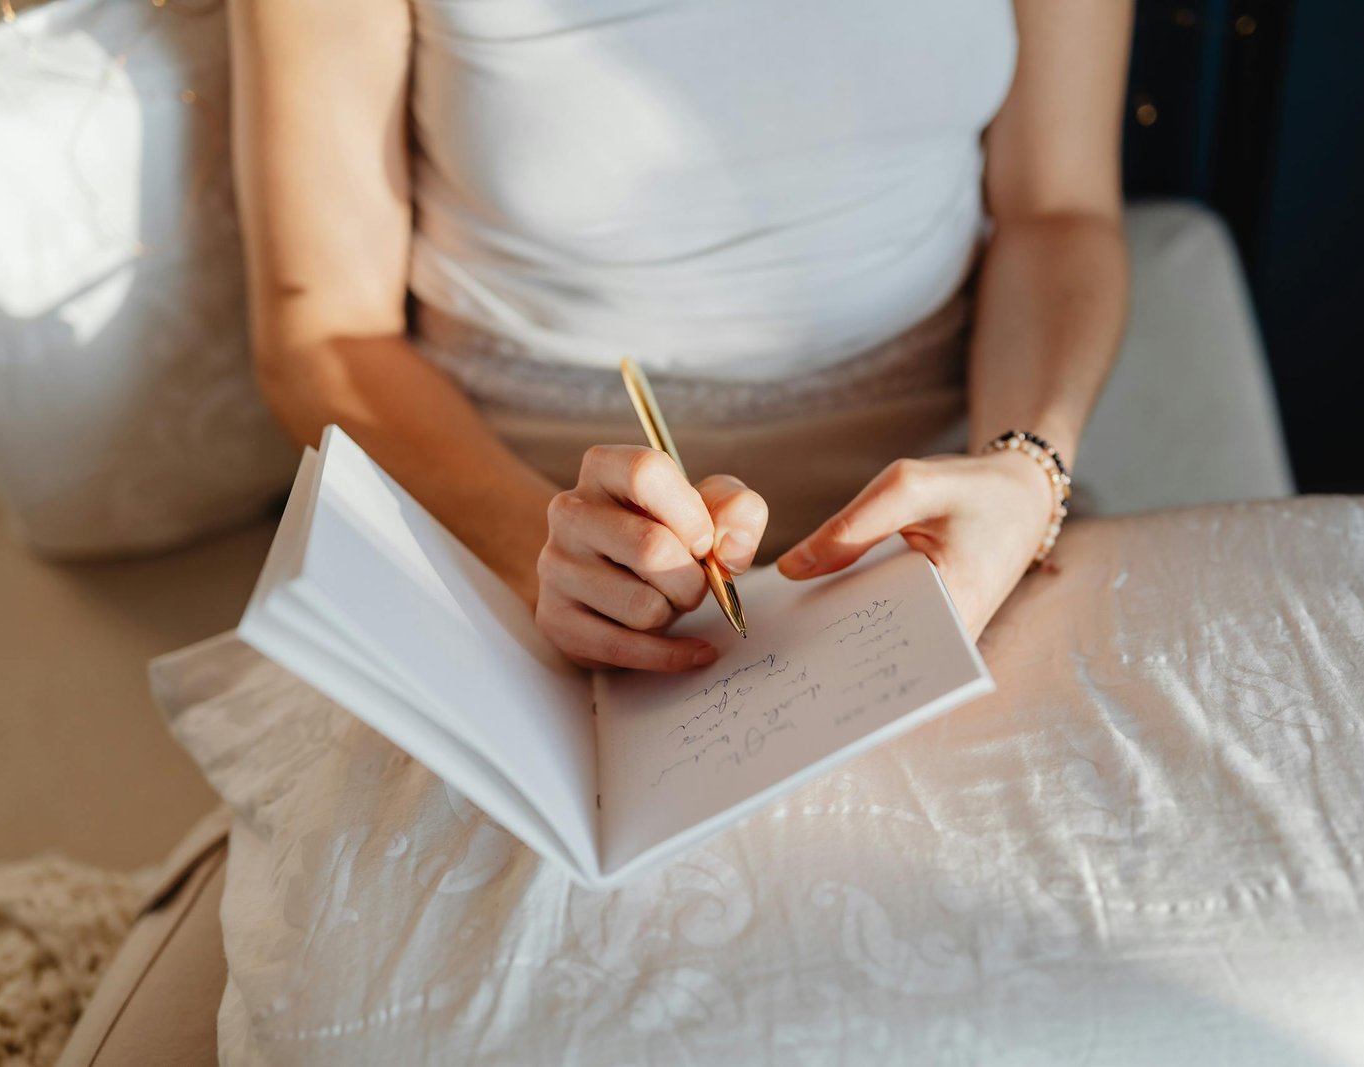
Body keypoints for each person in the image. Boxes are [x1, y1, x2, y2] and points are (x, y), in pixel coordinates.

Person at [229, 0, 1132, 671]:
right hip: (515, 502)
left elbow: (1058, 211)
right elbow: (324, 335)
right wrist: (532, 550)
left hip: (942, 485)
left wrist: (1024, 470)